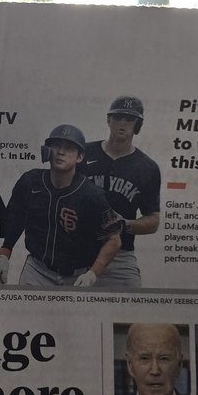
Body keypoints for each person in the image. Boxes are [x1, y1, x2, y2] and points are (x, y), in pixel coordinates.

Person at [0, 124, 122, 288]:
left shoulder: (92, 195)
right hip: (37, 270)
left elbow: (114, 240)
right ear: (47, 150)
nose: (61, 152)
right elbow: (17, 218)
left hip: (76, 275)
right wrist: (5, 252)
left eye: (68, 148)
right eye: (56, 146)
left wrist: (93, 273)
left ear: (79, 157)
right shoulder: (30, 181)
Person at [80, 96, 160, 288]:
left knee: (132, 312)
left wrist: (123, 224)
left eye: (129, 118)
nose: (122, 123)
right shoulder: (83, 153)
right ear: (109, 120)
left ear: (138, 124)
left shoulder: (147, 167)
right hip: (79, 250)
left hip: (120, 255)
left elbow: (153, 221)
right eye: (118, 117)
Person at [116, 323, 189, 395]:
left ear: (179, 365)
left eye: (164, 358)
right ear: (130, 365)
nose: (155, 371)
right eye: (144, 358)